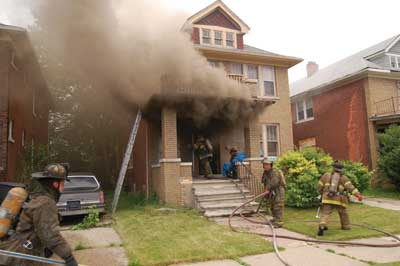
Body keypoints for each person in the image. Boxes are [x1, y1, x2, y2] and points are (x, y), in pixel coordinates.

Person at [0, 164, 78, 266]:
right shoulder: (46, 203)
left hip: (19, 250)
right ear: (55, 184)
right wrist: (69, 257)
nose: (63, 188)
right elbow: (50, 235)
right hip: (22, 256)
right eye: (62, 183)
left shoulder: (38, 198)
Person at [317, 161, 363, 236]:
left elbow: (319, 186)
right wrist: (358, 195)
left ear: (333, 168)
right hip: (339, 200)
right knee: (343, 213)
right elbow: (351, 188)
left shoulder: (326, 175)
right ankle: (346, 226)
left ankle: (322, 225)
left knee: (326, 213)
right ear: (341, 170)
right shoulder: (344, 178)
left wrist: (322, 194)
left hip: (327, 198)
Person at [261, 158, 286, 228]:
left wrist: (267, 189)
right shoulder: (265, 173)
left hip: (278, 190)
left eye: (267, 164)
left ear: (271, 165)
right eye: (264, 164)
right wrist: (265, 191)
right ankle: (275, 219)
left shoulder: (275, 172)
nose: (265, 166)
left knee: (278, 206)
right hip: (271, 191)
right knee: (272, 205)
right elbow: (264, 182)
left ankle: (279, 222)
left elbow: (274, 182)